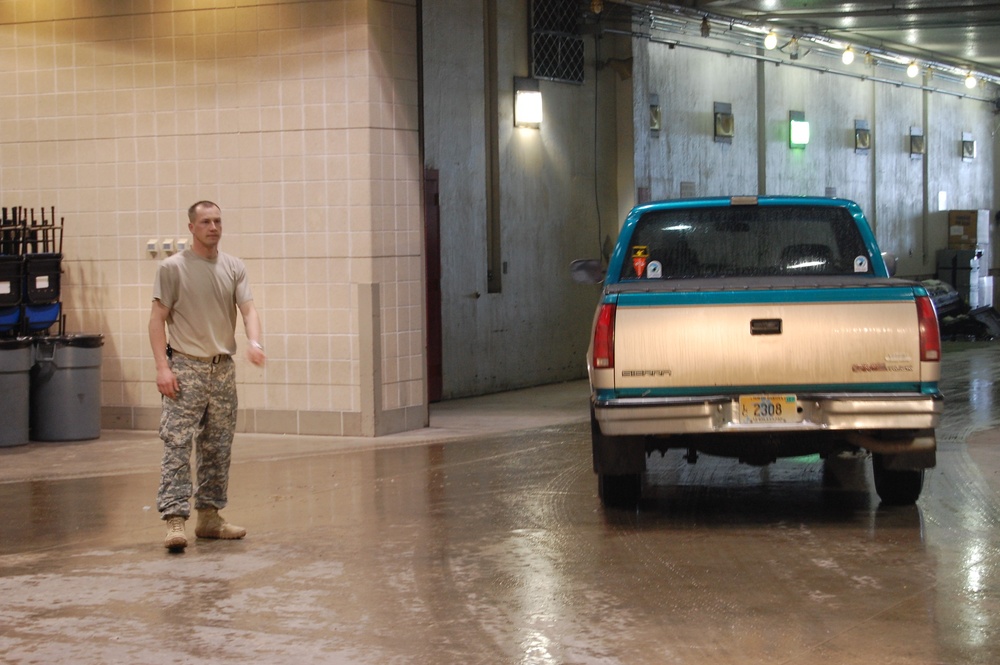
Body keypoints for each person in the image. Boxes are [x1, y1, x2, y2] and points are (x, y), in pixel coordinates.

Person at [148, 201, 266, 551]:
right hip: (185, 367)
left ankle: (210, 517)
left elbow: (248, 309)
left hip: (221, 369)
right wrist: (162, 367)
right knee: (177, 443)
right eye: (205, 222)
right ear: (191, 227)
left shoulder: (233, 266)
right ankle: (174, 519)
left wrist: (254, 341)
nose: (213, 227)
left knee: (217, 446)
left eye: (217, 221)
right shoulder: (173, 268)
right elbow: (157, 320)